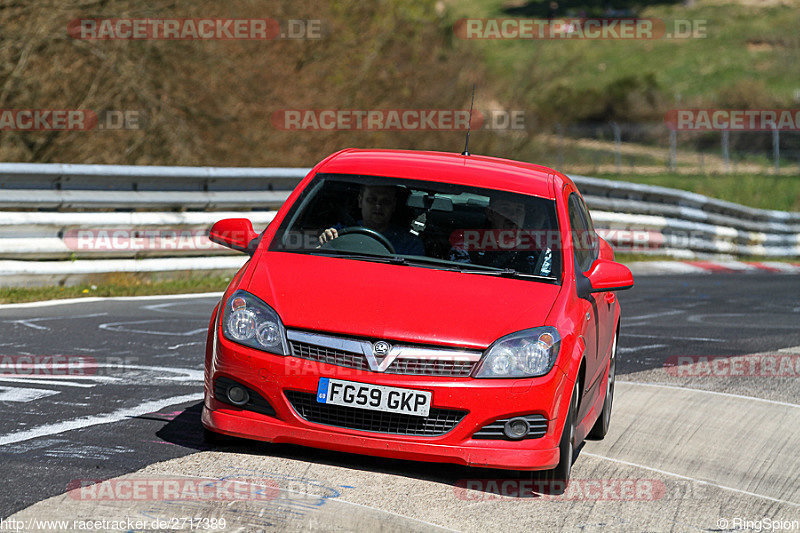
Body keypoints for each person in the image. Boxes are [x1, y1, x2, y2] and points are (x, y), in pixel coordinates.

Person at [449, 194, 553, 276]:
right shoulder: (466, 246)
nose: (513, 216)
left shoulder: (541, 253)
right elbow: (458, 280)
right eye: (505, 209)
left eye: (518, 210)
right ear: (490, 213)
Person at [318, 184, 425, 256]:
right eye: (371, 200)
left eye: (385, 201)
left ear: (393, 206)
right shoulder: (340, 233)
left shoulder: (409, 244)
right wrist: (325, 242)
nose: (378, 206)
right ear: (360, 202)